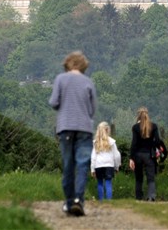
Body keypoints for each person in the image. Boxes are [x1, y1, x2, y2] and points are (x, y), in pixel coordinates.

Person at [48, 51, 97, 216]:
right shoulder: (88, 82)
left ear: (67, 64)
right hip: (84, 128)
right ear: (83, 66)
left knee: (68, 166)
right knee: (82, 165)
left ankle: (69, 202)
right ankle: (78, 200)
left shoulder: (60, 79)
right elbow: (92, 110)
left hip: (66, 127)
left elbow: (54, 102)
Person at [129, 107, 161, 201]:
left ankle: (139, 197)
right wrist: (152, 146)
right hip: (149, 154)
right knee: (150, 176)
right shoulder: (154, 126)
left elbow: (134, 143)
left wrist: (131, 158)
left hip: (138, 155)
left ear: (138, 115)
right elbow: (158, 141)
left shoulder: (135, 127)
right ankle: (151, 196)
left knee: (139, 177)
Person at [90, 121, 121, 202]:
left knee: (100, 183)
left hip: (98, 165)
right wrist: (117, 166)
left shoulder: (95, 142)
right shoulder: (112, 142)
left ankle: (101, 201)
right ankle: (109, 201)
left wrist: (92, 169)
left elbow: (93, 157)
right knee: (108, 183)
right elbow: (116, 155)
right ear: (108, 130)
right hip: (109, 165)